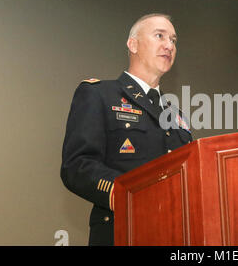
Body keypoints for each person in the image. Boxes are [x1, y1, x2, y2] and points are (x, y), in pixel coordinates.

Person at [60, 13, 192, 246]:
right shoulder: (99, 94)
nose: (169, 45)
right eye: (159, 35)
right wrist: (130, 193)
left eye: (173, 40)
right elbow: (77, 166)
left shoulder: (177, 117)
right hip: (121, 231)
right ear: (133, 44)